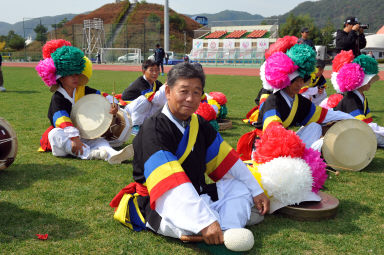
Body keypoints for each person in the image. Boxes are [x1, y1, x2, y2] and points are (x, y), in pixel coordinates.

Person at [110, 63, 270, 245]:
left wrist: (256, 191)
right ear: (168, 92)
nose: (190, 98)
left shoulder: (199, 123)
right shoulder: (152, 128)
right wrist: (204, 221)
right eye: (184, 91)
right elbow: (170, 182)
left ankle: (226, 228)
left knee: (240, 188)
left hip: (196, 192)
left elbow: (228, 162)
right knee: (187, 225)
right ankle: (217, 225)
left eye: (196, 92)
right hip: (162, 200)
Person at [36, 40, 133, 164]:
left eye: (77, 73)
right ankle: (89, 153)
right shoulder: (58, 97)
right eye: (71, 74)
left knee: (100, 141)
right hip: (66, 137)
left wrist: (114, 105)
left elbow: (102, 96)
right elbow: (61, 119)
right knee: (55, 134)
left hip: (83, 133)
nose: (75, 77)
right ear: (61, 77)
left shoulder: (83, 90)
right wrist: (74, 138)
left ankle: (112, 154)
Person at [334, 54, 384, 147]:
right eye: (368, 80)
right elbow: (360, 124)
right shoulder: (351, 99)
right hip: (345, 131)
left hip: (355, 128)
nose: (370, 83)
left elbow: (367, 121)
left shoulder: (361, 97)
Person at [121, 60, 166, 135]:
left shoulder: (157, 83)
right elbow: (152, 98)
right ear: (144, 71)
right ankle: (135, 126)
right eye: (151, 70)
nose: (155, 73)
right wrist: (166, 85)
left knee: (161, 102)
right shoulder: (141, 82)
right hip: (127, 110)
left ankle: (151, 124)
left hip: (139, 109)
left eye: (157, 70)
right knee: (145, 99)